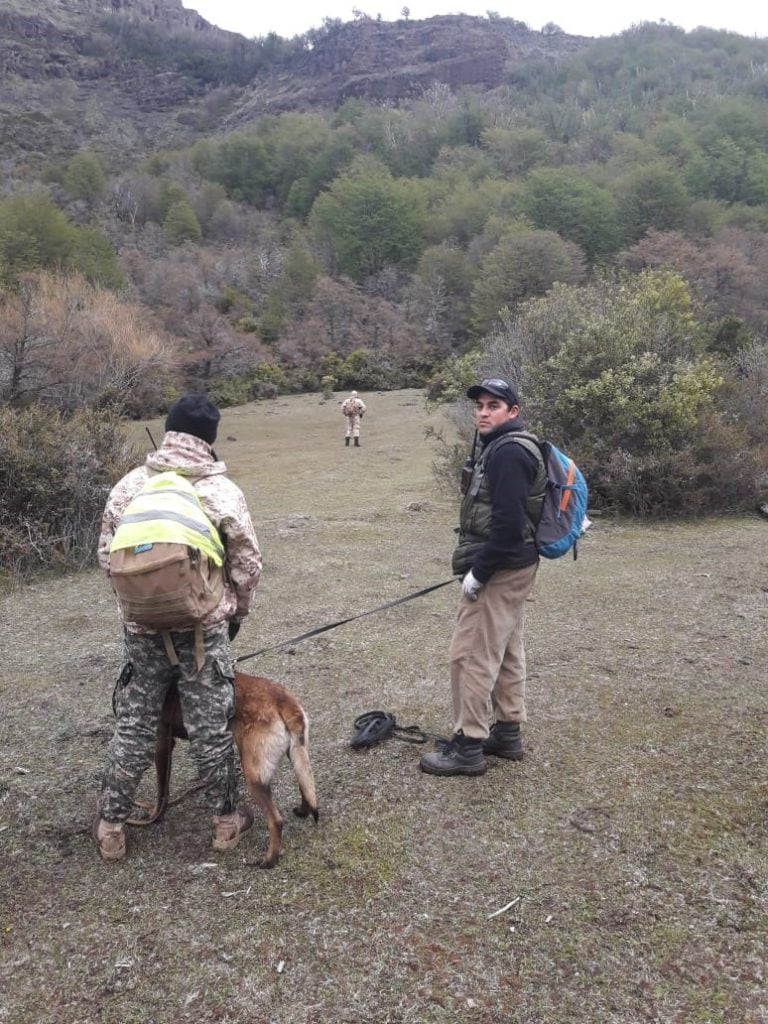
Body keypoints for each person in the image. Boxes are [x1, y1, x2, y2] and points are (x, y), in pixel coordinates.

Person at [94, 395, 262, 861]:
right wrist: (235, 613)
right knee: (211, 726)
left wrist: (138, 607)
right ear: (208, 440)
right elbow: (247, 565)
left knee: (135, 725)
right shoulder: (221, 492)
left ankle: (111, 826)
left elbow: (107, 559)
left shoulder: (129, 486)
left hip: (142, 630)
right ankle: (226, 821)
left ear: (168, 431)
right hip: (203, 631)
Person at [420, 378, 546, 777]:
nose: (483, 412)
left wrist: (479, 573)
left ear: (514, 411)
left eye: (494, 405)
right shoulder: (507, 445)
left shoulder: (507, 453)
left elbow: (507, 527)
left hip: (502, 567)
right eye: (480, 406)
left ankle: (468, 746)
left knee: (471, 654)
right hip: (517, 564)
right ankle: (507, 733)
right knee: (506, 649)